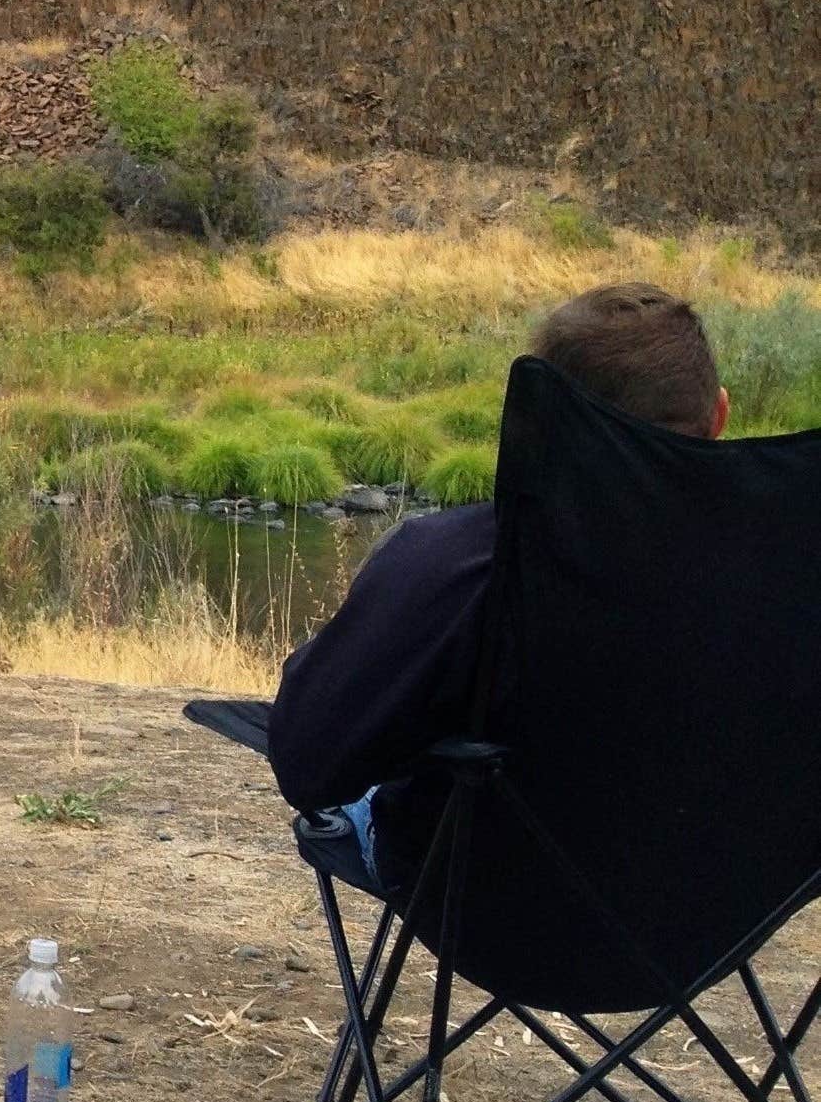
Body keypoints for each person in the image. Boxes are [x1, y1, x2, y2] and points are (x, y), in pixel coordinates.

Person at [268, 282, 729, 899]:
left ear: (545, 425)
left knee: (362, 795)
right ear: (719, 415)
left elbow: (308, 764)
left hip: (487, 913)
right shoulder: (785, 568)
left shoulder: (461, 561)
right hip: (709, 916)